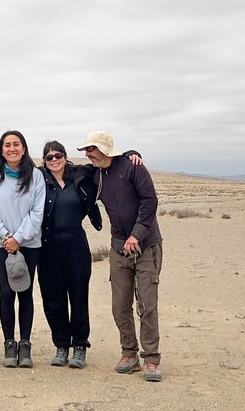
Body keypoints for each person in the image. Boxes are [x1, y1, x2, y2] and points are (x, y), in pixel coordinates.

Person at [37, 142, 141, 369]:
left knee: (78, 296)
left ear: (65, 157)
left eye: (58, 155)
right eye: (48, 157)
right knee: (53, 299)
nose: (54, 160)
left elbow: (107, 163)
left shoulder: (81, 172)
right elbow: (13, 164)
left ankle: (80, 346)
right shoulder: (38, 178)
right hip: (47, 244)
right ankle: (61, 345)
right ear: (44, 160)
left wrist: (130, 155)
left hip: (75, 242)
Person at [78, 131, 163, 382]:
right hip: (118, 249)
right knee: (119, 305)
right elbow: (69, 168)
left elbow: (150, 201)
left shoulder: (134, 168)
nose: (87, 154)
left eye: (90, 150)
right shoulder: (97, 175)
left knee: (147, 304)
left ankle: (152, 359)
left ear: (104, 150)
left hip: (146, 246)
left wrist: (136, 235)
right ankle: (129, 353)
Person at [0, 130, 45, 368]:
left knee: (25, 292)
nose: (12, 149)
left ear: (24, 148)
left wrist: (18, 238)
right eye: (7, 145)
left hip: (29, 245)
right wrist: (6, 237)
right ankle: (9, 344)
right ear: (1, 149)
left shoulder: (35, 175)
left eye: (16, 144)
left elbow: (37, 213)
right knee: (7, 293)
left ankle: (25, 344)